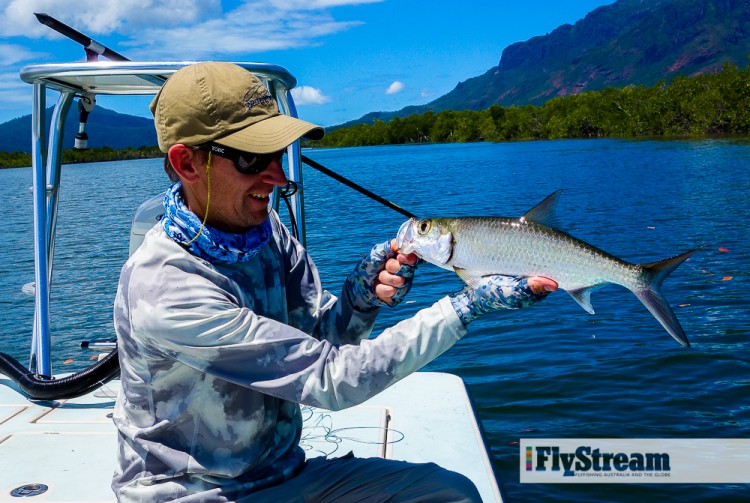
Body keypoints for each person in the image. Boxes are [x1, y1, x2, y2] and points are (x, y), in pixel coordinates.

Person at [111, 62, 558, 503]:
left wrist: (361, 296)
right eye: (252, 158)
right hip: (191, 495)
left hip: (283, 476)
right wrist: (465, 307)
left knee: (453, 495)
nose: (278, 176)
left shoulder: (265, 233)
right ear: (186, 163)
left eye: (278, 153)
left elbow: (321, 337)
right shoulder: (165, 287)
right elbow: (330, 379)